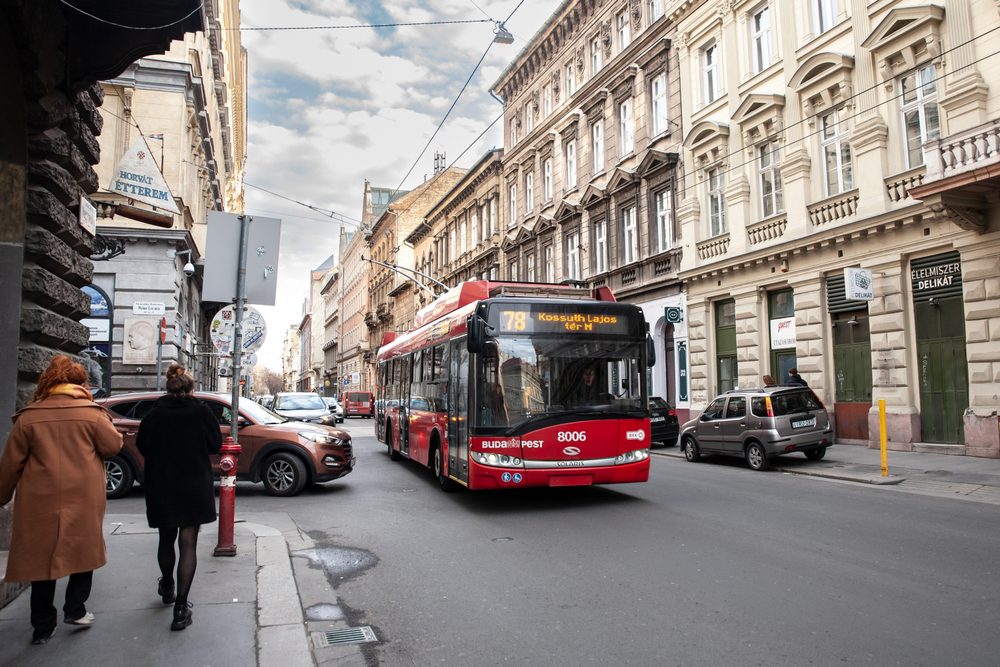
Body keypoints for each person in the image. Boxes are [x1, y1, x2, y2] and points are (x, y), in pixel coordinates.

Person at [0, 355, 122, 645]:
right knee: (84, 551)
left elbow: (10, 464)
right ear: (81, 383)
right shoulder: (91, 414)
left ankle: (42, 626)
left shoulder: (29, 416)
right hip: (82, 496)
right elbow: (113, 446)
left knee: (41, 560)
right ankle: (75, 609)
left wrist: (2, 495)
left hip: (38, 498)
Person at [137, 363, 222, 631]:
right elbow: (215, 445)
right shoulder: (201, 412)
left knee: (166, 537)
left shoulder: (154, 414)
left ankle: (167, 584)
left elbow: (142, 445)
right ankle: (181, 608)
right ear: (190, 387)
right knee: (188, 543)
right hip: (193, 483)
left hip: (162, 483)